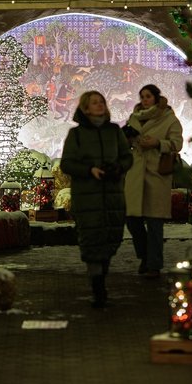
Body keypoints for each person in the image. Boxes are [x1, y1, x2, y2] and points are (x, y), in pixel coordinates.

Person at [60, 90, 133, 308]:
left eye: (101, 101)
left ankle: (101, 275)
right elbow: (67, 164)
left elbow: (127, 157)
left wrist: (118, 168)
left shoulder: (114, 131)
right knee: (92, 241)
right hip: (87, 197)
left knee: (111, 238)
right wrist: (89, 170)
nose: (99, 105)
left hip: (112, 196)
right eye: (94, 102)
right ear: (85, 107)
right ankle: (98, 287)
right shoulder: (77, 135)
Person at [123, 84, 184, 278]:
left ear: (157, 98)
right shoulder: (134, 118)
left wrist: (158, 143)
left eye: (148, 96)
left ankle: (154, 265)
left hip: (156, 174)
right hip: (135, 173)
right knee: (132, 220)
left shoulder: (169, 119)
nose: (144, 100)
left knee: (155, 222)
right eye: (142, 96)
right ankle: (145, 256)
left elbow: (177, 144)